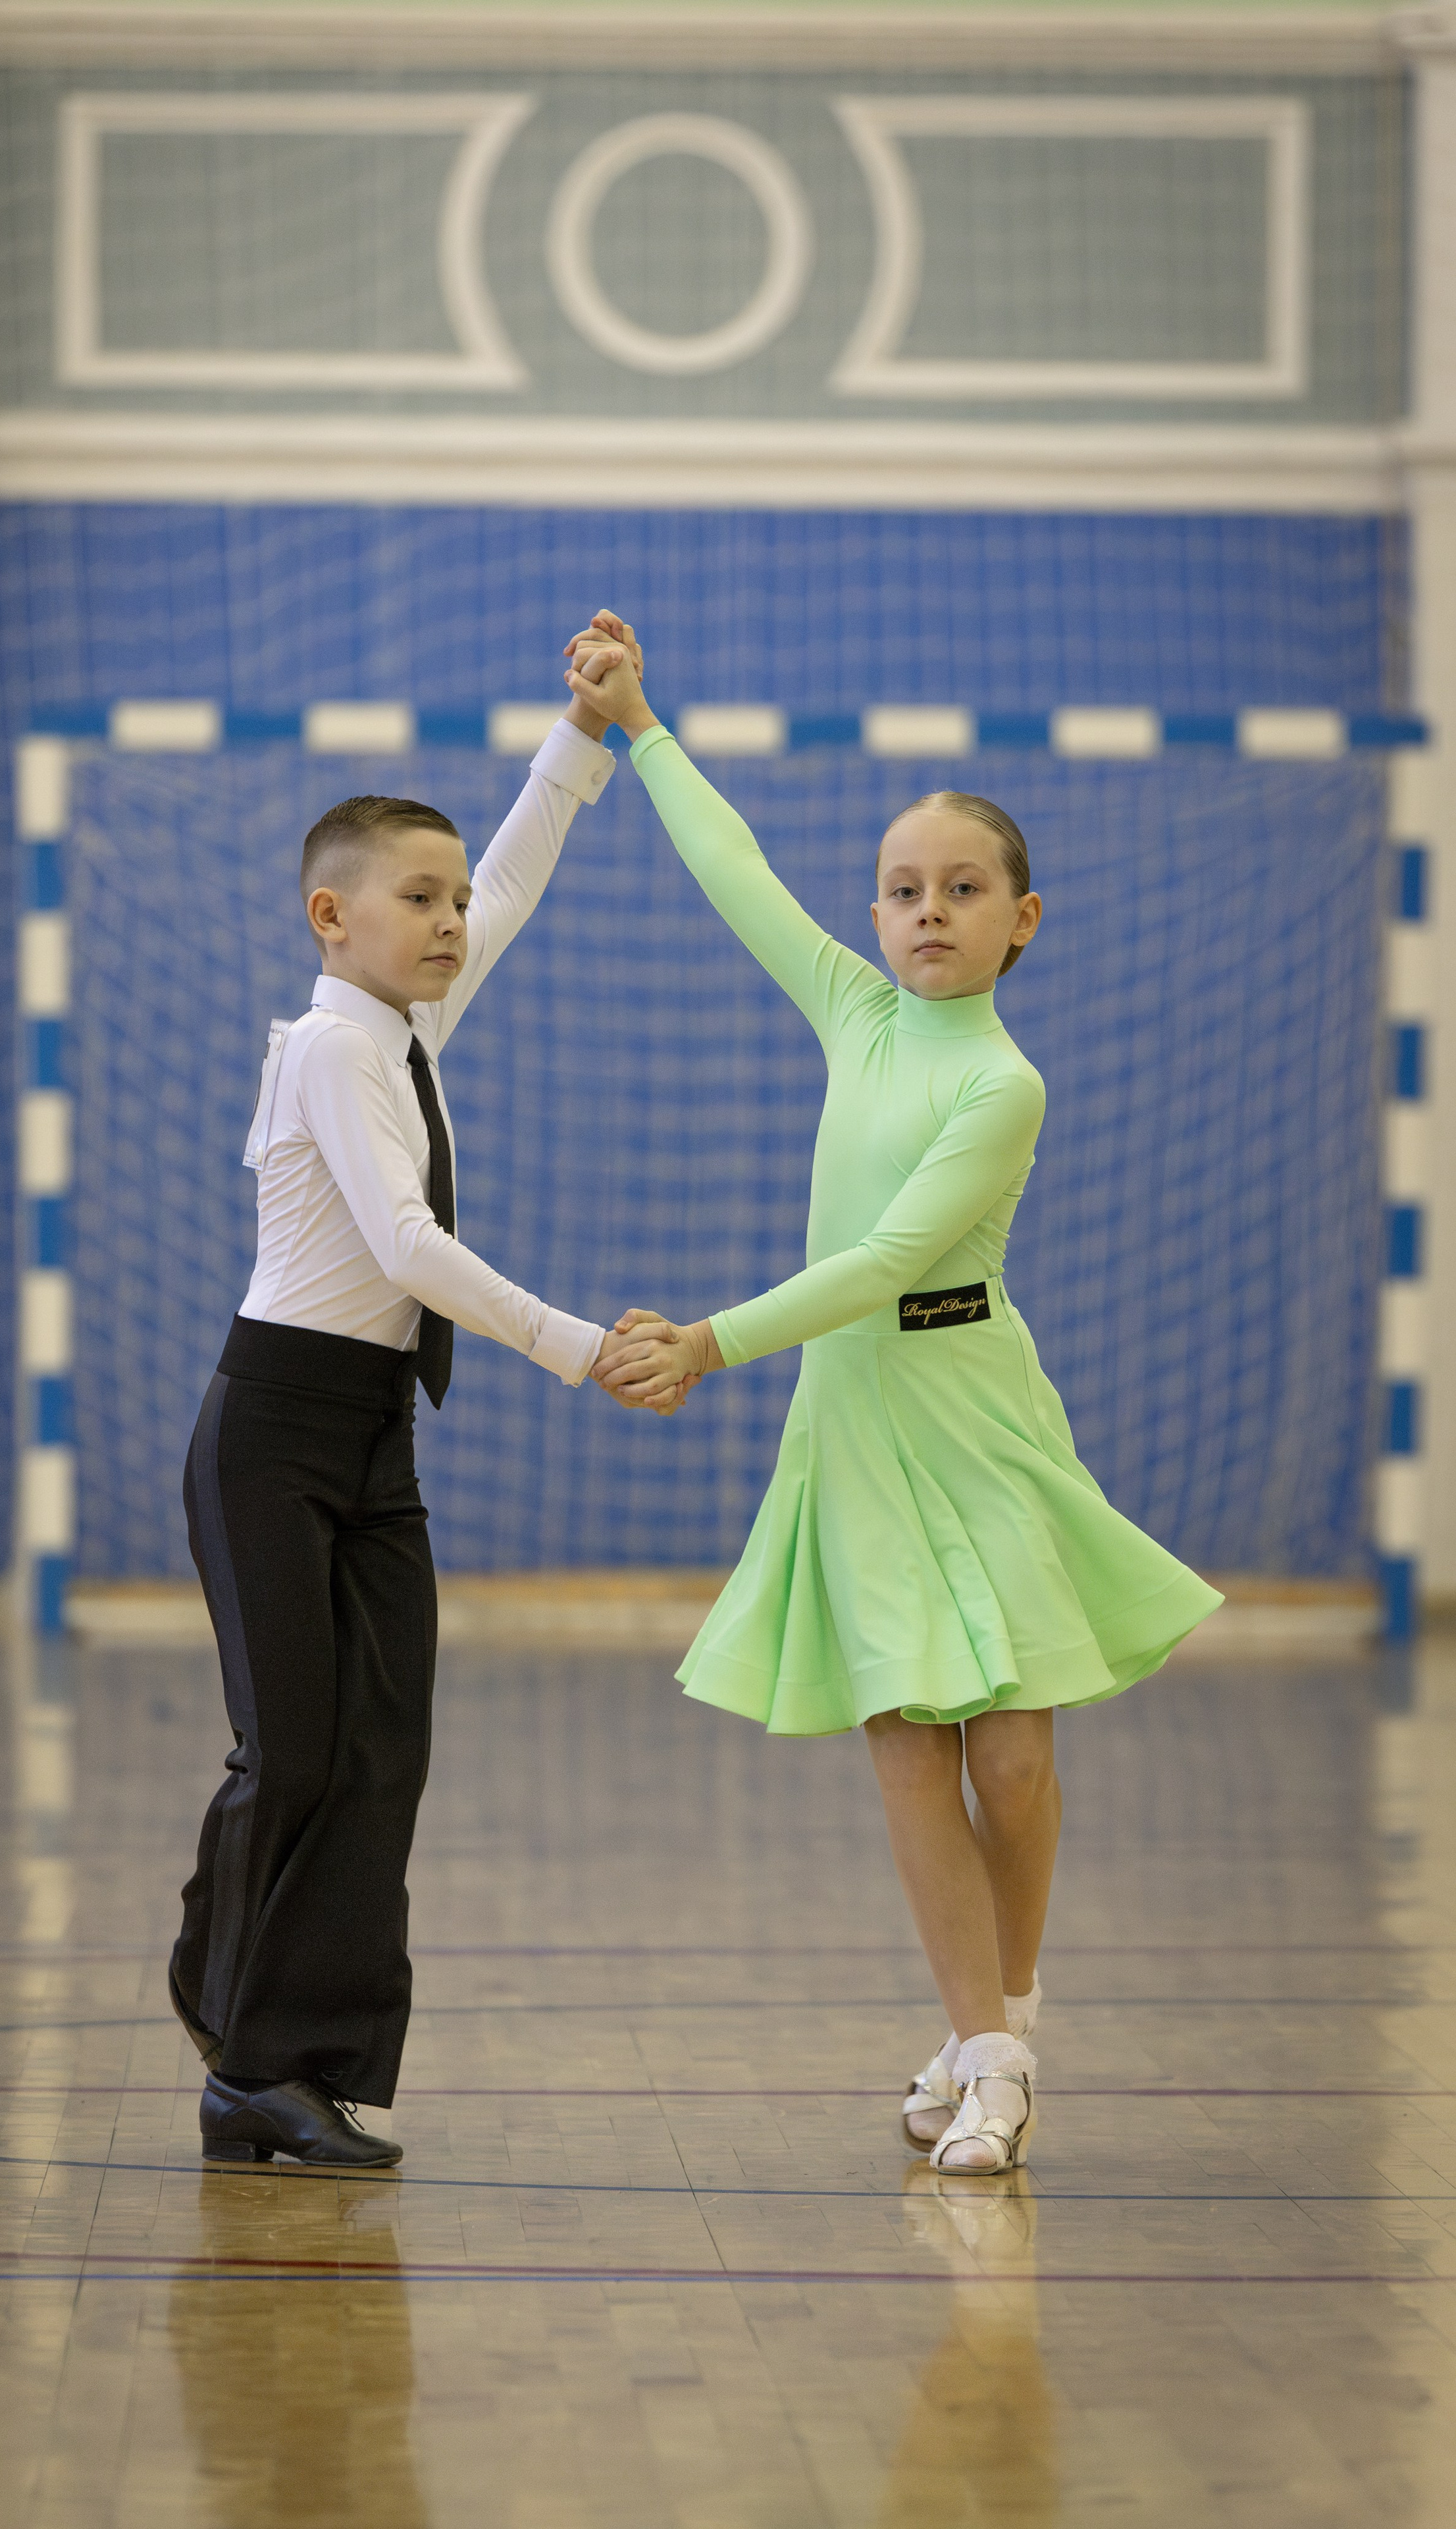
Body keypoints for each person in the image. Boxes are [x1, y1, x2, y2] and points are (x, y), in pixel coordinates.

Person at [574, 618, 1222, 2175]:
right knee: (904, 1745)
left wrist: (714, 1340)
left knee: (1010, 1751)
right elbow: (734, 870)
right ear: (875, 911)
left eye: (963, 889)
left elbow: (890, 1255)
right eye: (903, 888)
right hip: (853, 1431)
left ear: (1021, 920)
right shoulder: (854, 1013)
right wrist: (637, 725)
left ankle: (1002, 2010)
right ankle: (985, 2048)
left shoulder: (1002, 1086)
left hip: (975, 1416)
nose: (927, 910)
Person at [170, 645, 635, 2175]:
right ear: (333, 916)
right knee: (291, 1752)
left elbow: (514, 874)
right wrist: (576, 1345)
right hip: (271, 1435)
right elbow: (404, 1248)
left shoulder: (407, 1028)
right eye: (418, 899)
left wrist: (579, 738)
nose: (450, 920)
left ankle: (305, 2056)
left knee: (381, 1752)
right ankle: (242, 2050)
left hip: (374, 1436)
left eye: (449, 901)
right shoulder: (326, 1049)